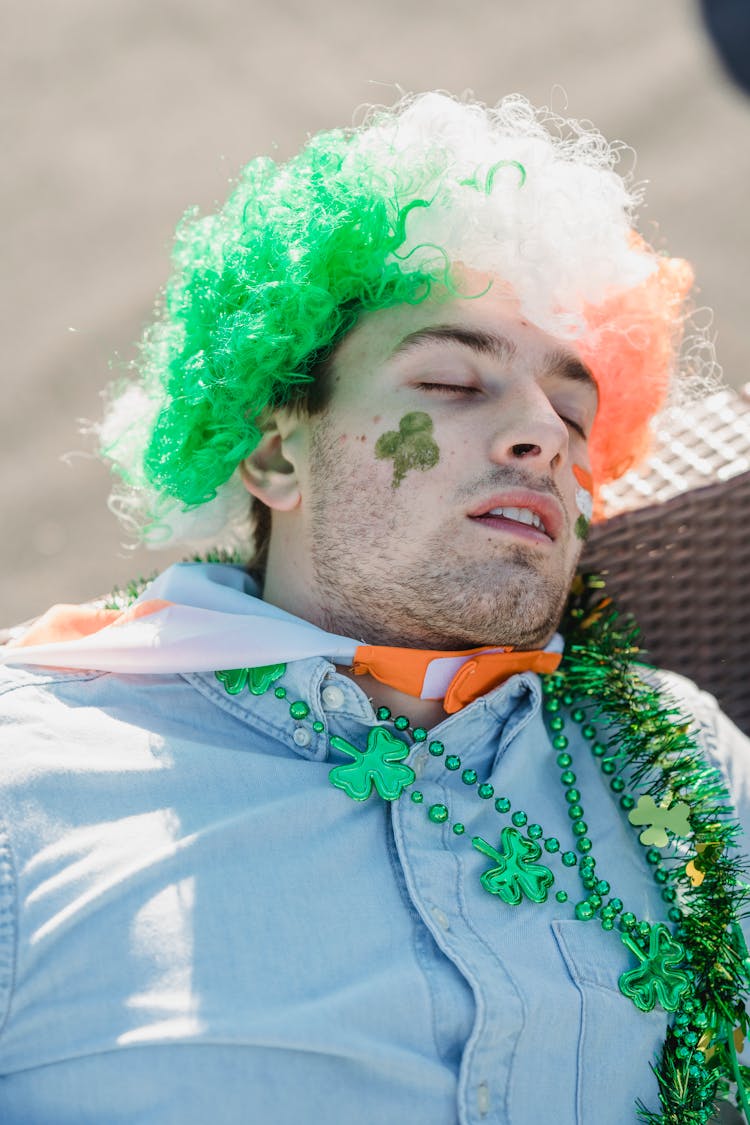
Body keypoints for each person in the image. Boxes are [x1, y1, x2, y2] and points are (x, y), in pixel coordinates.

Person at [0, 92, 748, 1125]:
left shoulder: (681, 761)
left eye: (575, 413)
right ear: (274, 453)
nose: (544, 434)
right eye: (451, 380)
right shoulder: (30, 773)